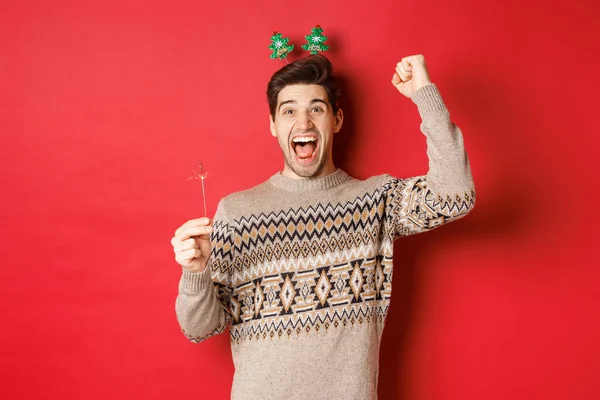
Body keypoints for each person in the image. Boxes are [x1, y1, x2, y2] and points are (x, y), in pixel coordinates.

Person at [171, 54, 475, 399]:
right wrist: (195, 271)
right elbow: (200, 328)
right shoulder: (237, 212)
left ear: (337, 120)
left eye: (316, 109)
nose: (303, 123)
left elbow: (455, 195)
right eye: (288, 111)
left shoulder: (374, 202)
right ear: (273, 124)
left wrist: (424, 93)